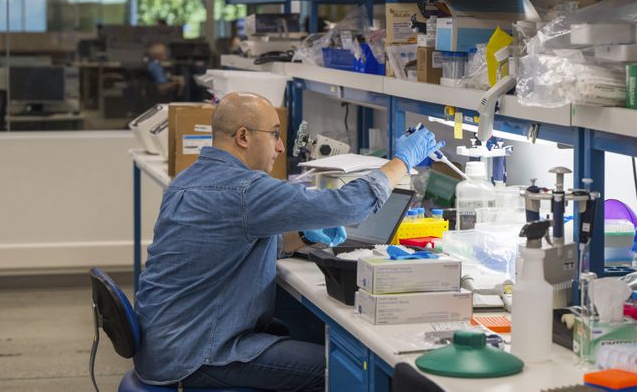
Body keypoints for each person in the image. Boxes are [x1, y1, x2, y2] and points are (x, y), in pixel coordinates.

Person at [134, 92, 442, 390]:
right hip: (197, 355)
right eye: (275, 134)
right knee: (341, 368)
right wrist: (403, 159)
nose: (281, 147)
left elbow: (223, 246)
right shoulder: (244, 190)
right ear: (243, 136)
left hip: (164, 344)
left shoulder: (188, 179)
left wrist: (303, 236)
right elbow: (349, 205)